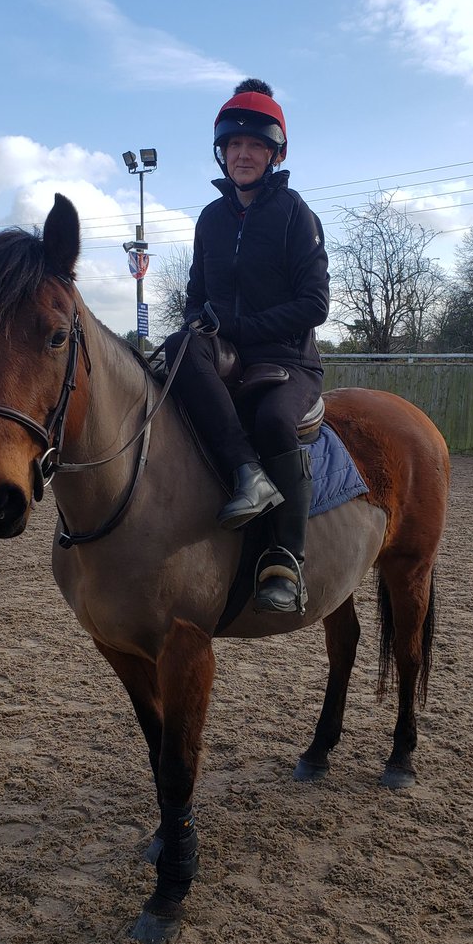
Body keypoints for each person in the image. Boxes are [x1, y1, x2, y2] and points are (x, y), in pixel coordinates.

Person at [163, 78, 330, 613]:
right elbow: (195, 296)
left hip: (287, 359)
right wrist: (198, 324)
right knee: (177, 349)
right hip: (225, 355)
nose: (243, 154)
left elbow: (314, 305)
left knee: (275, 423)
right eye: (234, 145)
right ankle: (245, 474)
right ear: (222, 151)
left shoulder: (295, 215)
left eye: (255, 145)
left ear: (275, 153)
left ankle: (287, 560)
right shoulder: (210, 220)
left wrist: (238, 325)